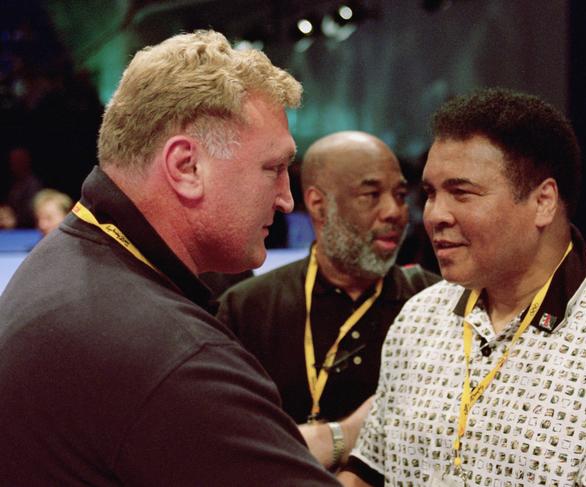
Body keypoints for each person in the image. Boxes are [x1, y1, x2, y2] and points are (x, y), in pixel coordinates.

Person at [0, 30, 341, 486]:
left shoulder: (66, 260)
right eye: (274, 169)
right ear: (186, 167)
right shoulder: (174, 355)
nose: (285, 200)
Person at [339, 88, 586, 486]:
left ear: (543, 202)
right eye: (431, 193)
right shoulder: (418, 318)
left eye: (461, 193)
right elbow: (370, 469)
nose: (435, 215)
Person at [216, 130, 440, 470]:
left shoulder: (433, 304)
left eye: (399, 195)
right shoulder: (247, 308)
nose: (395, 212)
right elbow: (225, 443)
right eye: (371, 195)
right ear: (319, 205)